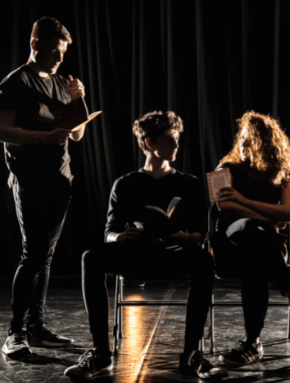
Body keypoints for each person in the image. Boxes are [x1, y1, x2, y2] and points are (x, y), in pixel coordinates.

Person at [64, 111, 228, 380]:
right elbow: (109, 232)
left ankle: (192, 354)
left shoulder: (190, 183)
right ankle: (101, 353)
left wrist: (187, 238)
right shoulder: (125, 183)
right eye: (169, 140)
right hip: (136, 252)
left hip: (174, 252)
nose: (176, 146)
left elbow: (200, 234)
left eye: (177, 139)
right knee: (90, 257)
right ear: (149, 143)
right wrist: (121, 237)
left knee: (203, 260)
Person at [0, 17, 87, 357]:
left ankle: (36, 328)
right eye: (53, 51)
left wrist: (79, 101)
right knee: (33, 254)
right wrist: (43, 137)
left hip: (61, 180)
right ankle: (14, 334)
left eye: (63, 53)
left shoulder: (63, 82)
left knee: (44, 257)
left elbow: (77, 133)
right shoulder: (15, 83)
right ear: (35, 45)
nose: (59, 59)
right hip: (29, 180)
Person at [212, 111, 290, 367]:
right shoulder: (222, 169)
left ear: (265, 143)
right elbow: (222, 208)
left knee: (255, 258)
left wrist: (243, 201)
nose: (242, 144)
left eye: (249, 139)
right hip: (229, 245)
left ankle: (252, 344)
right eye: (241, 138)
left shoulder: (280, 171)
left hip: (264, 250)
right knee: (252, 231)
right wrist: (266, 216)